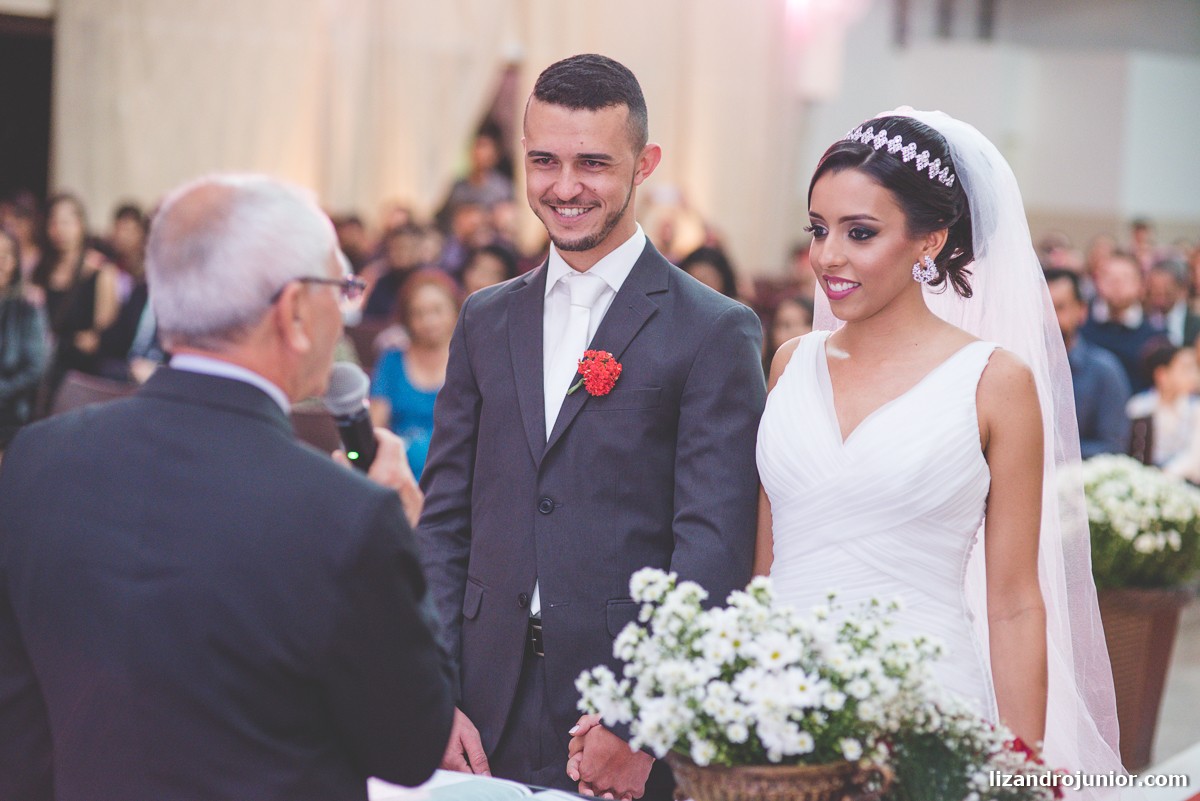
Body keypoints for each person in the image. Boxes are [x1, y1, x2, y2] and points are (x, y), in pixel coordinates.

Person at [0, 174, 453, 801]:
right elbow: (410, 748)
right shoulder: (345, 516)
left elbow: (17, 728)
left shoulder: (37, 460)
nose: (345, 309)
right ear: (294, 309)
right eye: (340, 289)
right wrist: (410, 536)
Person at [418, 54, 765, 801]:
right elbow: (444, 520)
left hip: (617, 714)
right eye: (543, 160)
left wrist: (642, 721)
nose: (564, 186)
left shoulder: (713, 331)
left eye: (593, 163)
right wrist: (433, 691)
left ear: (645, 164)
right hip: (478, 708)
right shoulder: (484, 318)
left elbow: (712, 548)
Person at [755, 110, 1124, 789]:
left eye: (860, 232)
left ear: (930, 239)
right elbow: (766, 564)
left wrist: (1022, 766)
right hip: (780, 709)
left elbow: (1014, 599)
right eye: (818, 228)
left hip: (922, 711)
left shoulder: (995, 381)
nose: (828, 255)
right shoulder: (789, 363)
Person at [370, 270, 460, 480]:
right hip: (398, 474)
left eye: (437, 311)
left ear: (455, 311)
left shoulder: (469, 361)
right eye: (418, 313)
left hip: (454, 474)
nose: (429, 321)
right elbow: (376, 424)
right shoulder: (392, 360)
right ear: (407, 319)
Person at [1045, 268, 1131, 457]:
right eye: (1042, 308)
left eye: (1059, 308)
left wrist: (1052, 454)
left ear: (1081, 311)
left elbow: (1113, 446)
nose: (1049, 318)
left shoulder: (1104, 370)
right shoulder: (1020, 367)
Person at [1079, 250, 1164, 392]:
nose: (1117, 284)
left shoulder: (1155, 335)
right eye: (1109, 277)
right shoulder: (1081, 328)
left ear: (1141, 285)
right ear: (1097, 281)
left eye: (1125, 278)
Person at [0, 230, 48, 448]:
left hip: (10, 409)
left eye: (6, 255)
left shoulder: (27, 306)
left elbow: (36, 368)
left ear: (15, 263)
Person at [1125, 340, 1200, 470]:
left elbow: (1194, 458)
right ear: (1162, 375)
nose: (1193, 375)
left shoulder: (1195, 409)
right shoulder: (1139, 406)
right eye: (1185, 369)